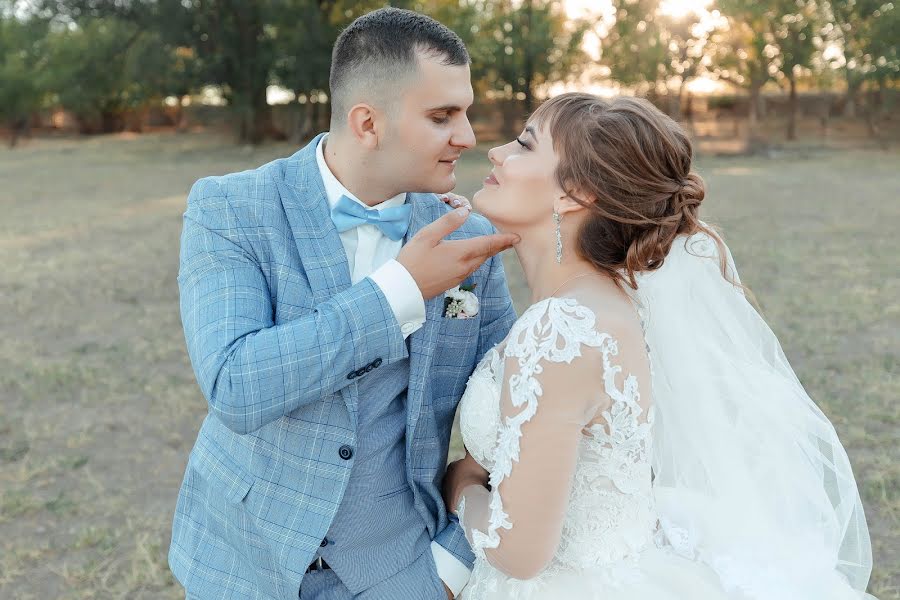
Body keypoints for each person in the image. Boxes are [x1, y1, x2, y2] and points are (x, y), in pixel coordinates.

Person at [442, 92, 877, 600]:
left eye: (523, 144)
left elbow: (521, 552)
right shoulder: (618, 301)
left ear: (574, 193)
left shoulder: (561, 329)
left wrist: (459, 485)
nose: (496, 153)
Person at [168, 8, 518, 600]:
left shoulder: (470, 238)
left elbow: (519, 405)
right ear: (366, 123)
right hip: (240, 563)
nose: (467, 136)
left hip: (402, 570)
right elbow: (235, 385)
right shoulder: (231, 209)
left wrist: (454, 563)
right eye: (442, 116)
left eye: (465, 112)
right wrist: (401, 292)